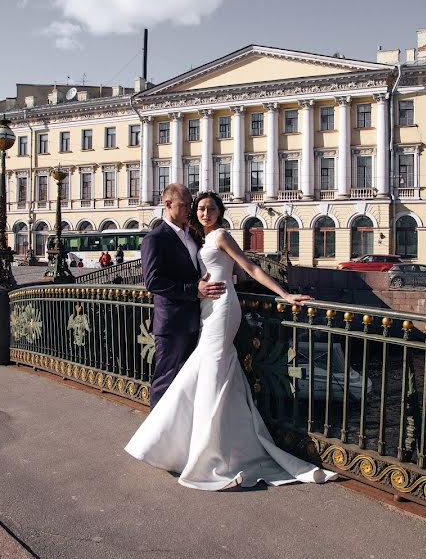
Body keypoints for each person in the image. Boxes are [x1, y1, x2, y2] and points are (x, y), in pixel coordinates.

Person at [126, 190, 337, 490]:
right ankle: (182, 446)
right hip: (204, 310)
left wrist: (285, 294)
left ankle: (211, 456)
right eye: (198, 208)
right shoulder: (199, 239)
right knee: (205, 374)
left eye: (210, 208)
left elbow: (250, 268)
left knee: (211, 375)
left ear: (220, 211)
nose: (203, 213)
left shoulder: (222, 235)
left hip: (223, 308)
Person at [138, 183, 225, 408]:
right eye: (184, 205)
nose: (189, 209)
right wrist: (193, 290)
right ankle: (155, 436)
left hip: (197, 319)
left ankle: (177, 432)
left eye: (190, 205)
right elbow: (153, 282)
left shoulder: (193, 236)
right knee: (165, 380)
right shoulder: (155, 239)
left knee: (186, 381)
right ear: (168, 205)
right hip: (172, 323)